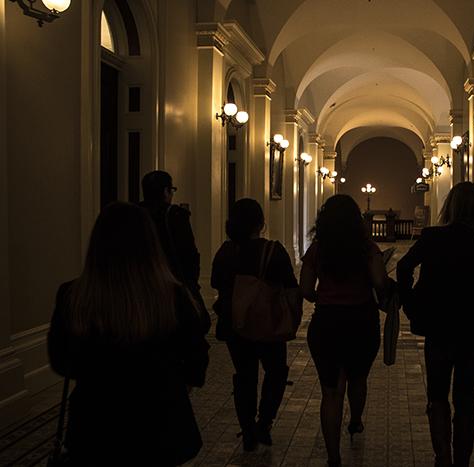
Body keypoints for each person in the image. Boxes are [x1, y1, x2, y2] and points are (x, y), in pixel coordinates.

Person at [47, 202, 210, 466]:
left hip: (95, 427)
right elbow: (196, 360)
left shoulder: (73, 296)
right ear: (151, 244)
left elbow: (62, 360)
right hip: (160, 425)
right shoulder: (173, 296)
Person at [397, 182, 474, 467]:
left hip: (439, 329)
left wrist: (409, 303)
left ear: (451, 206)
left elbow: (404, 266)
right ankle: (462, 462)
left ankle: (442, 456)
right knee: (465, 398)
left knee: (437, 395)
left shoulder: (432, 237)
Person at [300, 194, 388, 467]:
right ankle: (356, 421)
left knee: (331, 391)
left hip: (326, 323)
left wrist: (321, 297)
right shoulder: (368, 248)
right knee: (358, 378)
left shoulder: (317, 249)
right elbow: (380, 285)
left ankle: (333, 456)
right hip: (361, 322)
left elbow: (305, 289)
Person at [211, 198, 298, 451]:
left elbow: (216, 282)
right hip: (269, 323)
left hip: (235, 324)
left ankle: (248, 428)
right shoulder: (273, 250)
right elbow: (290, 286)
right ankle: (265, 421)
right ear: (260, 223)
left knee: (244, 375)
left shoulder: (226, 252)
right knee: (276, 372)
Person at [139, 171, 208, 328]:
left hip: (141, 282)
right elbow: (189, 253)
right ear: (166, 191)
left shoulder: (134, 214)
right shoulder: (175, 215)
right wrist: (191, 282)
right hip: (173, 282)